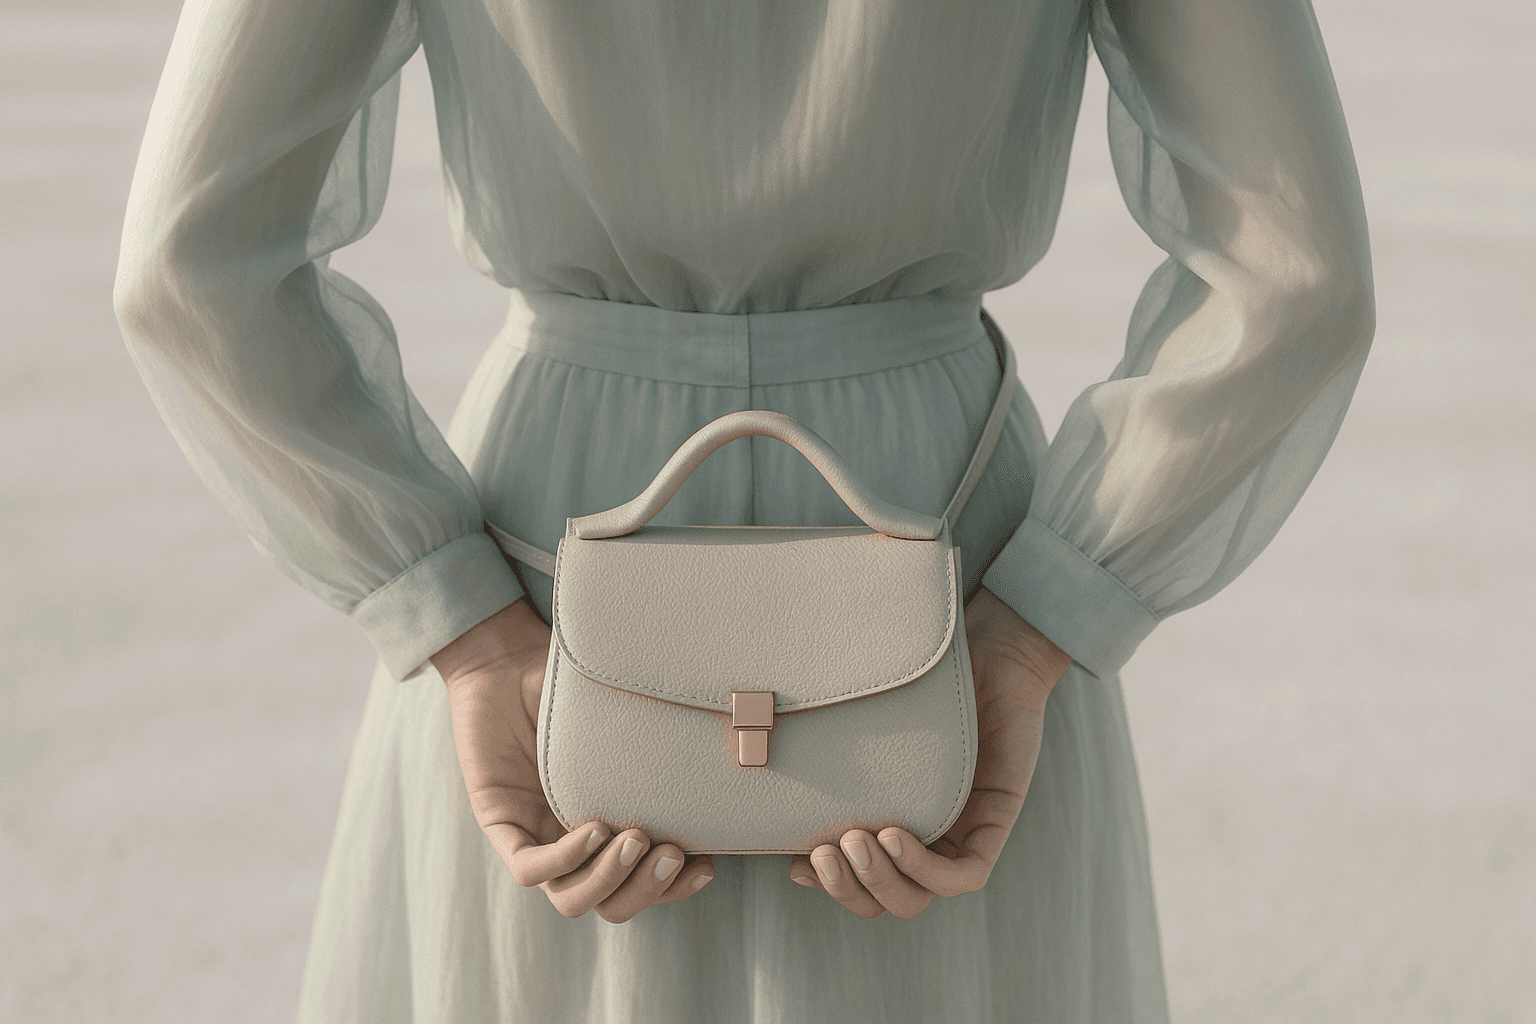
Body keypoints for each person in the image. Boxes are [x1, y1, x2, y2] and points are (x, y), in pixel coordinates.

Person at [113, 0, 1374, 1020]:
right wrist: (1045, 616)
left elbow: (187, 264)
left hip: (556, 565)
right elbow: (1298, 274)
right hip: (941, 568)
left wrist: (453, 612)